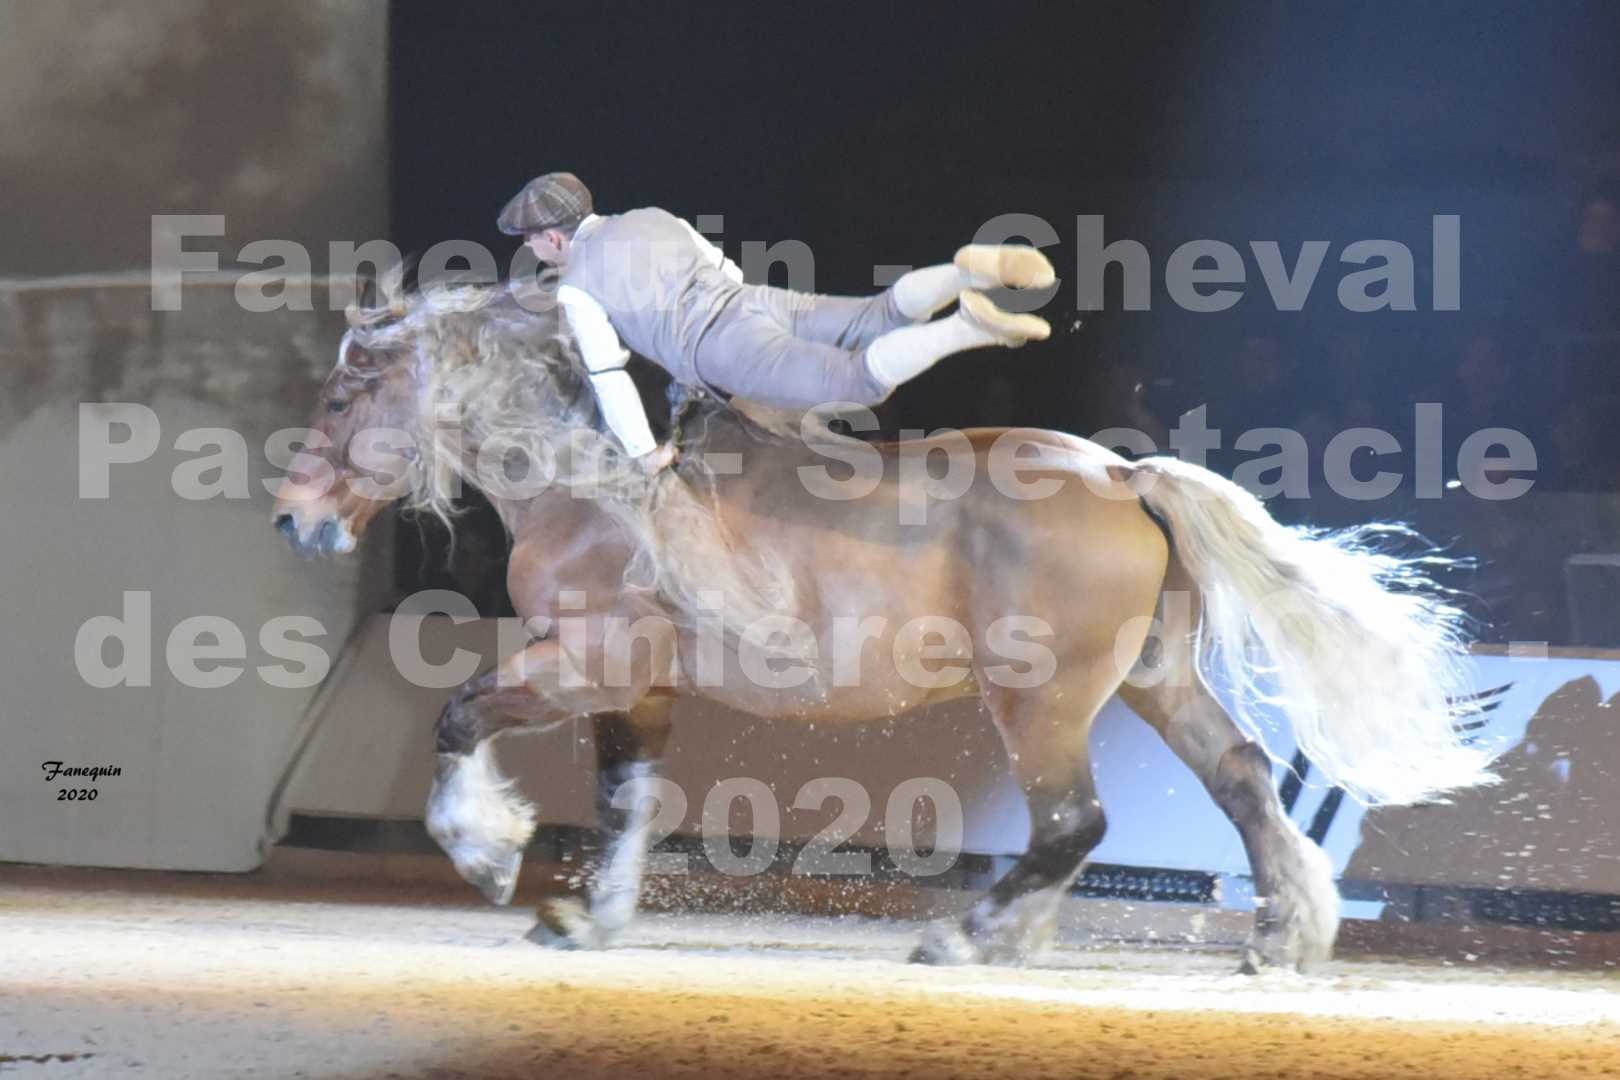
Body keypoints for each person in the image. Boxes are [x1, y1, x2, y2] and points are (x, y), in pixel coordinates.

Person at [498, 172, 1055, 472]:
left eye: (530, 240)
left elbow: (607, 373)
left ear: (553, 236)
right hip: (753, 300)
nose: (531, 249)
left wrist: (646, 454)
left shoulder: (577, 286)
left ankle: (968, 329)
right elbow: (722, 266)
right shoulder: (651, 216)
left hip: (721, 348)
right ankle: (961, 274)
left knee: (856, 380)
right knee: (876, 313)